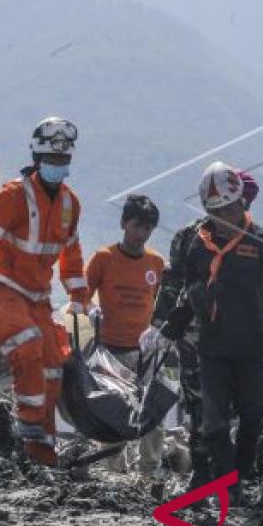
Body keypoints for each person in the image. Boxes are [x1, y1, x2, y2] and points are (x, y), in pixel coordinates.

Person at [158, 161, 263, 501]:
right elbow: (188, 287)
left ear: (243, 203)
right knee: (214, 422)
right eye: (217, 210)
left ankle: (240, 472)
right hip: (212, 349)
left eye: (231, 208)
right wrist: (168, 324)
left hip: (253, 346)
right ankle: (230, 485)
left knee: (252, 419)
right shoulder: (195, 243)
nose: (225, 216)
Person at [0, 117, 88, 466]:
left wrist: (78, 297)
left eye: (62, 162)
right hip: (4, 287)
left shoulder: (70, 204)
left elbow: (71, 252)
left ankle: (42, 452)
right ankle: (26, 428)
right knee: (26, 347)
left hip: (38, 296)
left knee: (54, 364)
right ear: (38, 159)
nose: (57, 167)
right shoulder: (14, 196)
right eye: (51, 161)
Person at [85, 194, 166, 480]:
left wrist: (158, 331)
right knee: (113, 413)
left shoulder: (156, 263)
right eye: (137, 226)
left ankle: (149, 471)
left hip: (145, 352)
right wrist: (92, 310)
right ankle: (114, 471)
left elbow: (164, 303)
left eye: (147, 229)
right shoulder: (103, 258)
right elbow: (82, 296)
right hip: (110, 351)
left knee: (153, 412)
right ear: (123, 223)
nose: (141, 234)